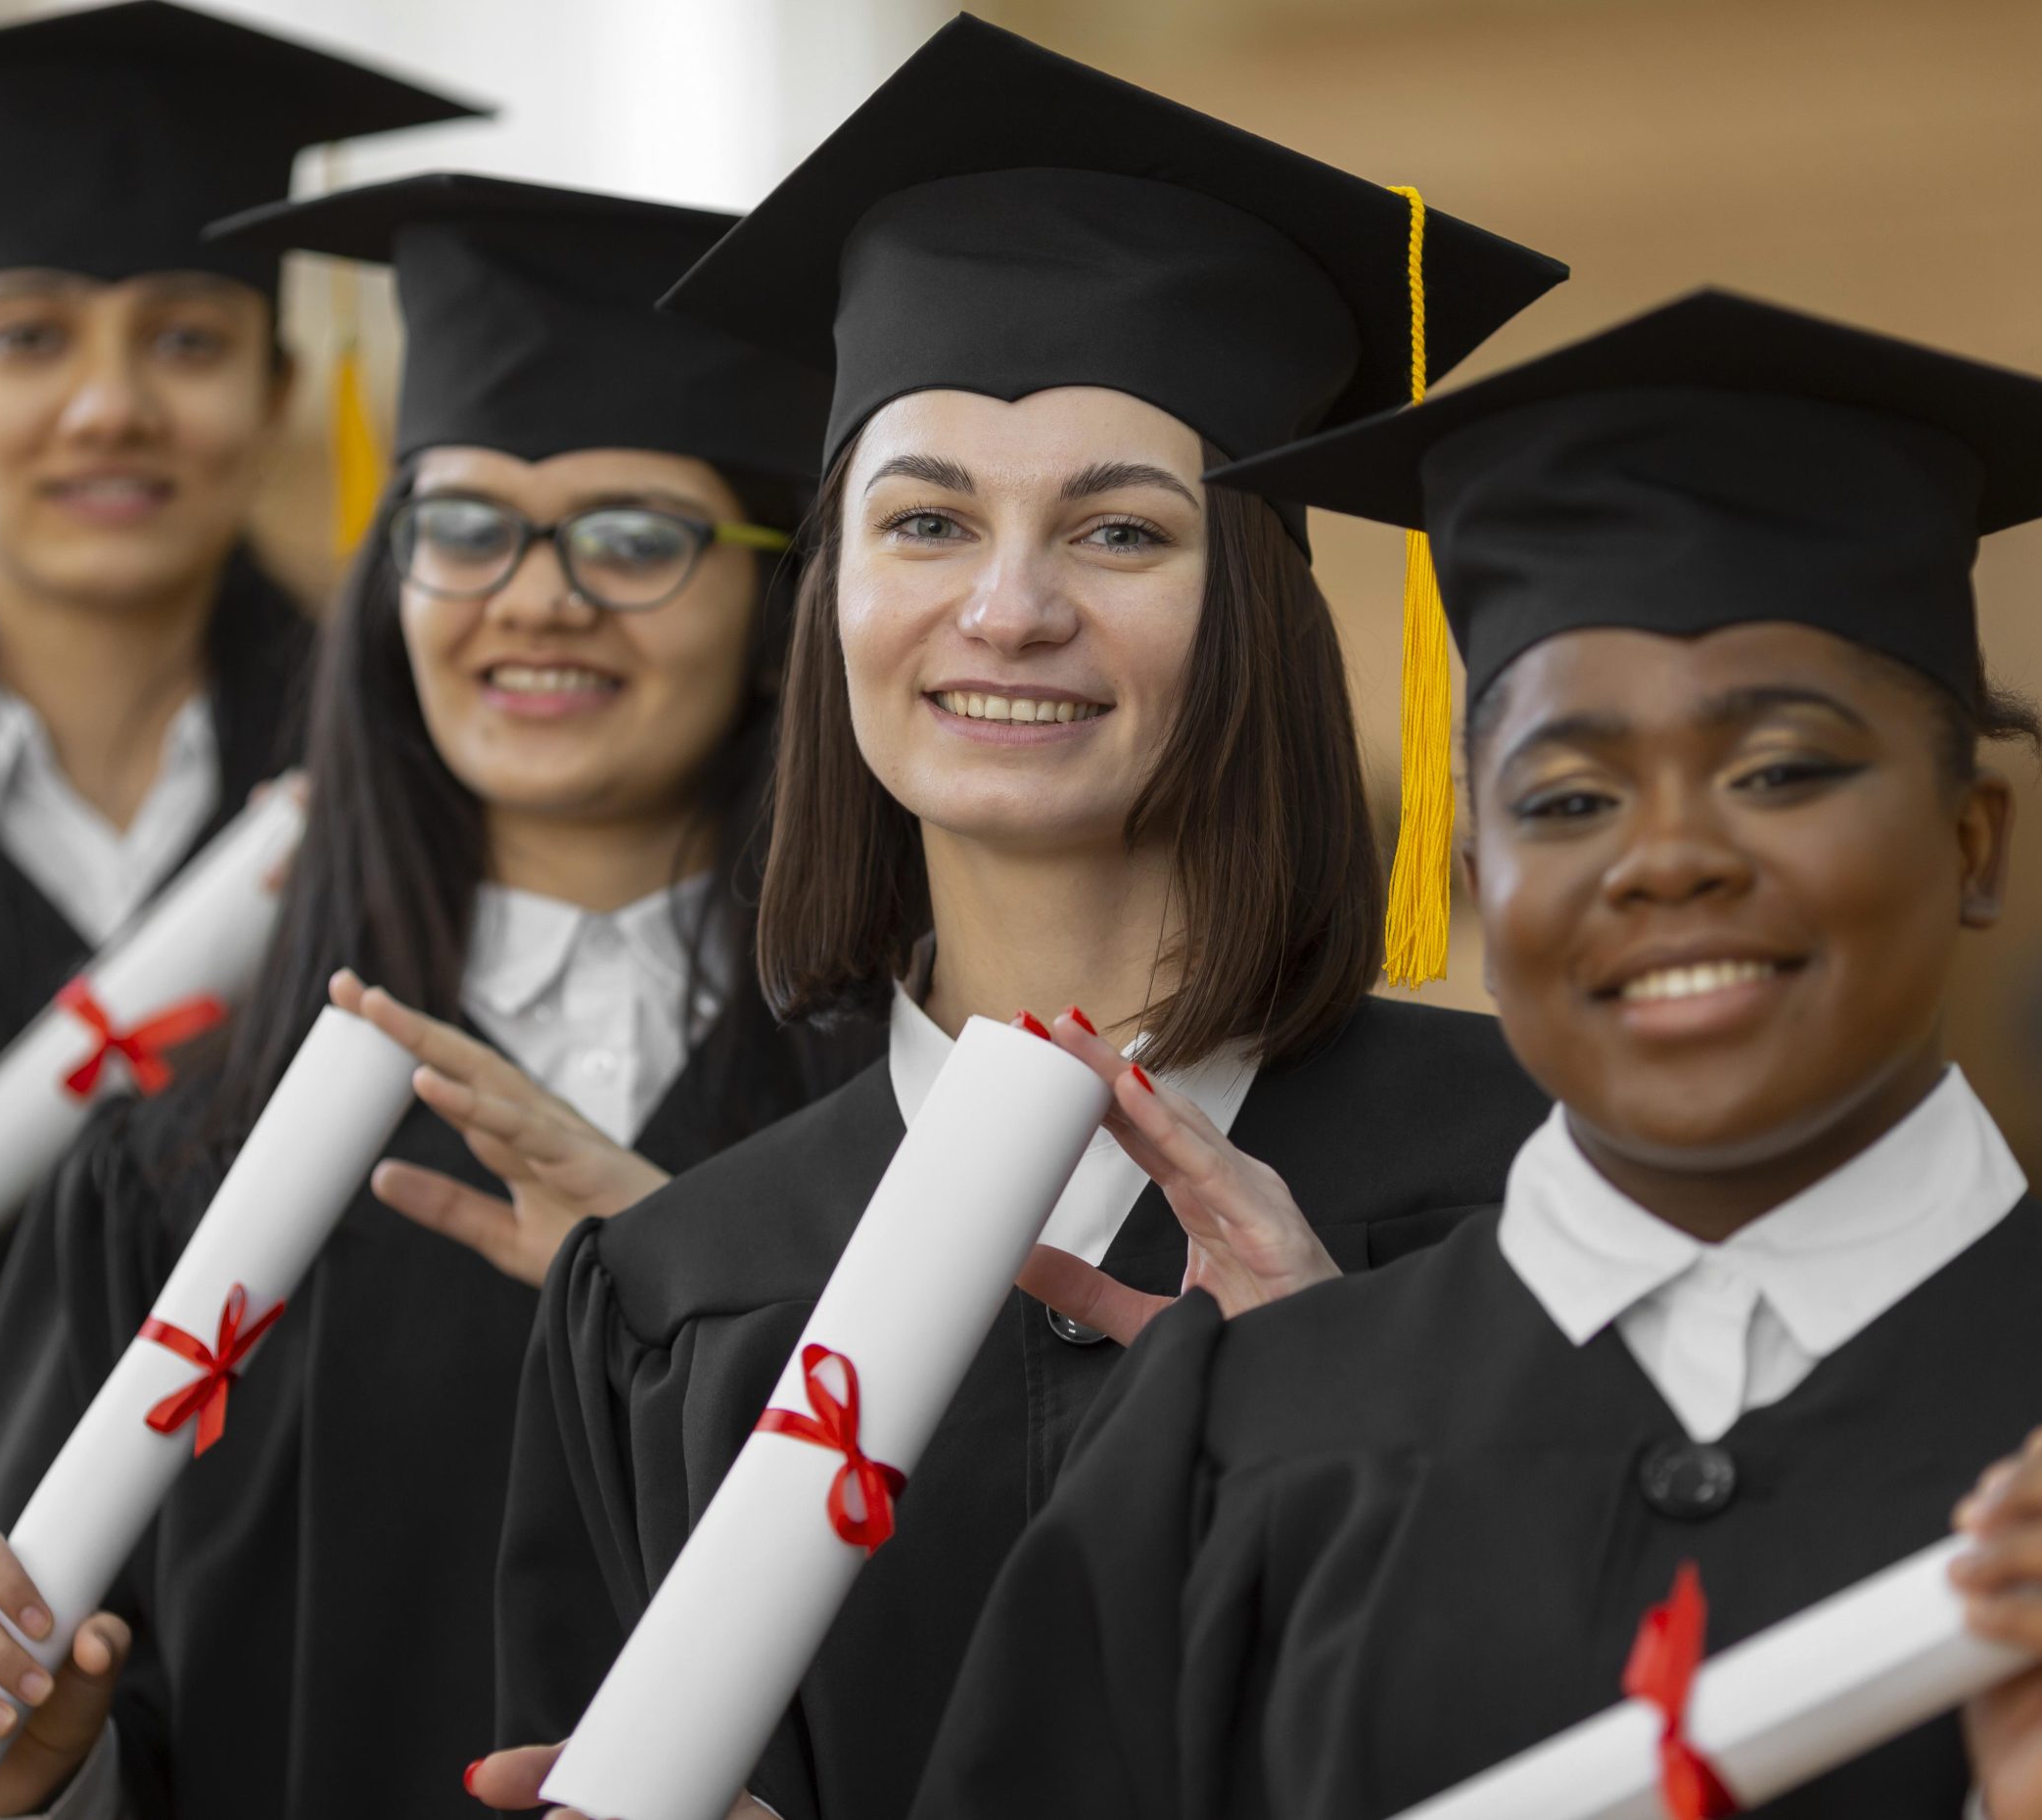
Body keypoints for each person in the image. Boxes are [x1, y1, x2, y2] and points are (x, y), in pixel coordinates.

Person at [909, 290, 2042, 1820]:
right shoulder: (1238, 1447)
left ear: (1973, 843)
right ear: (1481, 872)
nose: (1668, 857)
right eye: (1565, 799)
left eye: (1781, 770)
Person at [476, 19, 1565, 1819]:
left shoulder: (1534, 1186)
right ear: (832, 607)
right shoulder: (678, 1294)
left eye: (1120, 534)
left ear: (1262, 611)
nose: (1006, 607)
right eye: (923, 522)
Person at [0, 173, 882, 1820]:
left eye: (634, 537)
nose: (533, 596)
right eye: (462, 527)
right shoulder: (177, 1176)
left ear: (779, 600)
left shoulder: (899, 1137)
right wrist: (38, 1772)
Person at [0, 8, 473, 1807]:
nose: (111, 403)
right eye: (29, 337)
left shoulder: (437, 857)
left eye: (186, 337)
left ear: (280, 392)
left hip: (341, 1709)